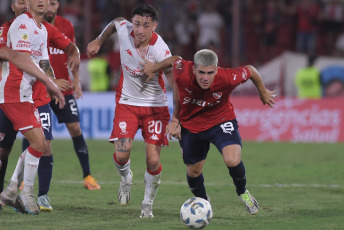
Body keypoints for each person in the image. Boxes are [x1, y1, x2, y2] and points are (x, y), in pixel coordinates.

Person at [140, 49, 277, 215]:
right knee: (194, 172)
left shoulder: (227, 77)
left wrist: (262, 92)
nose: (205, 78)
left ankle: (242, 192)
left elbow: (251, 70)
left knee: (232, 160)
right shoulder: (183, 70)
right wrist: (154, 67)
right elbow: (174, 59)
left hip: (221, 121)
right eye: (201, 72)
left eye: (210, 73)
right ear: (194, 69)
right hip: (191, 125)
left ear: (217, 70)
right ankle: (205, 204)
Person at [87, 4, 173, 218]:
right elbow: (115, 21)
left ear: (154, 26)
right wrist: (99, 40)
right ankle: (126, 178)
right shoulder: (124, 29)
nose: (140, 30)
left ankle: (147, 204)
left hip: (155, 107)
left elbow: (175, 81)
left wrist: (178, 117)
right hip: (127, 103)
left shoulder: (160, 50)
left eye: (146, 25)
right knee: (121, 153)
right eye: (137, 24)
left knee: (153, 161)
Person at [0, 0, 80, 213]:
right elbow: (21, 60)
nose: (43, 2)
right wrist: (49, 83)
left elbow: (44, 63)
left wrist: (50, 82)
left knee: (39, 142)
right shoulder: (22, 24)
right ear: (29, 3)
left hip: (26, 93)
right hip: (13, 91)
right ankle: (24, 194)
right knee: (37, 143)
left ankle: (11, 191)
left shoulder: (42, 29)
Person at [37, 0, 101, 191]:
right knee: (36, 133)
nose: (49, 8)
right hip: (41, 89)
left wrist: (76, 80)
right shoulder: (35, 27)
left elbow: (72, 53)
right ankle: (24, 179)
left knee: (75, 127)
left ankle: (88, 176)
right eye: (46, 4)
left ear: (58, 6)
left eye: (53, 4)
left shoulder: (67, 26)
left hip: (64, 88)